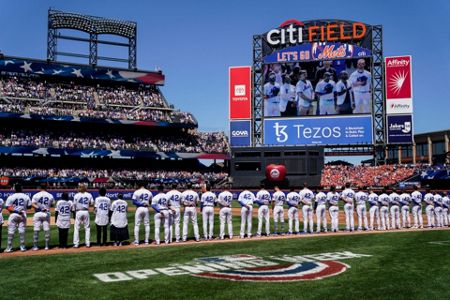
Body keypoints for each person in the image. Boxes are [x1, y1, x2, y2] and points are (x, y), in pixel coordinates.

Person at [4, 184, 31, 252]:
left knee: (11, 231)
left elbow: (7, 207)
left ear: (14, 189)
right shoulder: (26, 196)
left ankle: (9, 248)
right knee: (22, 231)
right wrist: (23, 207)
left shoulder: (11, 196)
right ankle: (22, 247)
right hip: (23, 214)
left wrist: (16, 210)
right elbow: (29, 206)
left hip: (13, 214)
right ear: (21, 188)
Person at [31, 183, 55, 250]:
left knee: (36, 229)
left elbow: (32, 204)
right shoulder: (50, 195)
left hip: (38, 213)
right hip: (46, 213)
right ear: (46, 187)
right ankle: (47, 246)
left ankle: (35, 246)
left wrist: (39, 208)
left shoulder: (36, 195)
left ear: (39, 187)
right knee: (46, 229)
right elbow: (53, 205)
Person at [73, 183, 94, 248]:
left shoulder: (76, 195)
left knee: (77, 228)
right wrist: (87, 205)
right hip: (85, 211)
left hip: (78, 212)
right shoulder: (89, 194)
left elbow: (74, 205)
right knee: (87, 228)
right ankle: (87, 243)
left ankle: (76, 244)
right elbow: (92, 203)